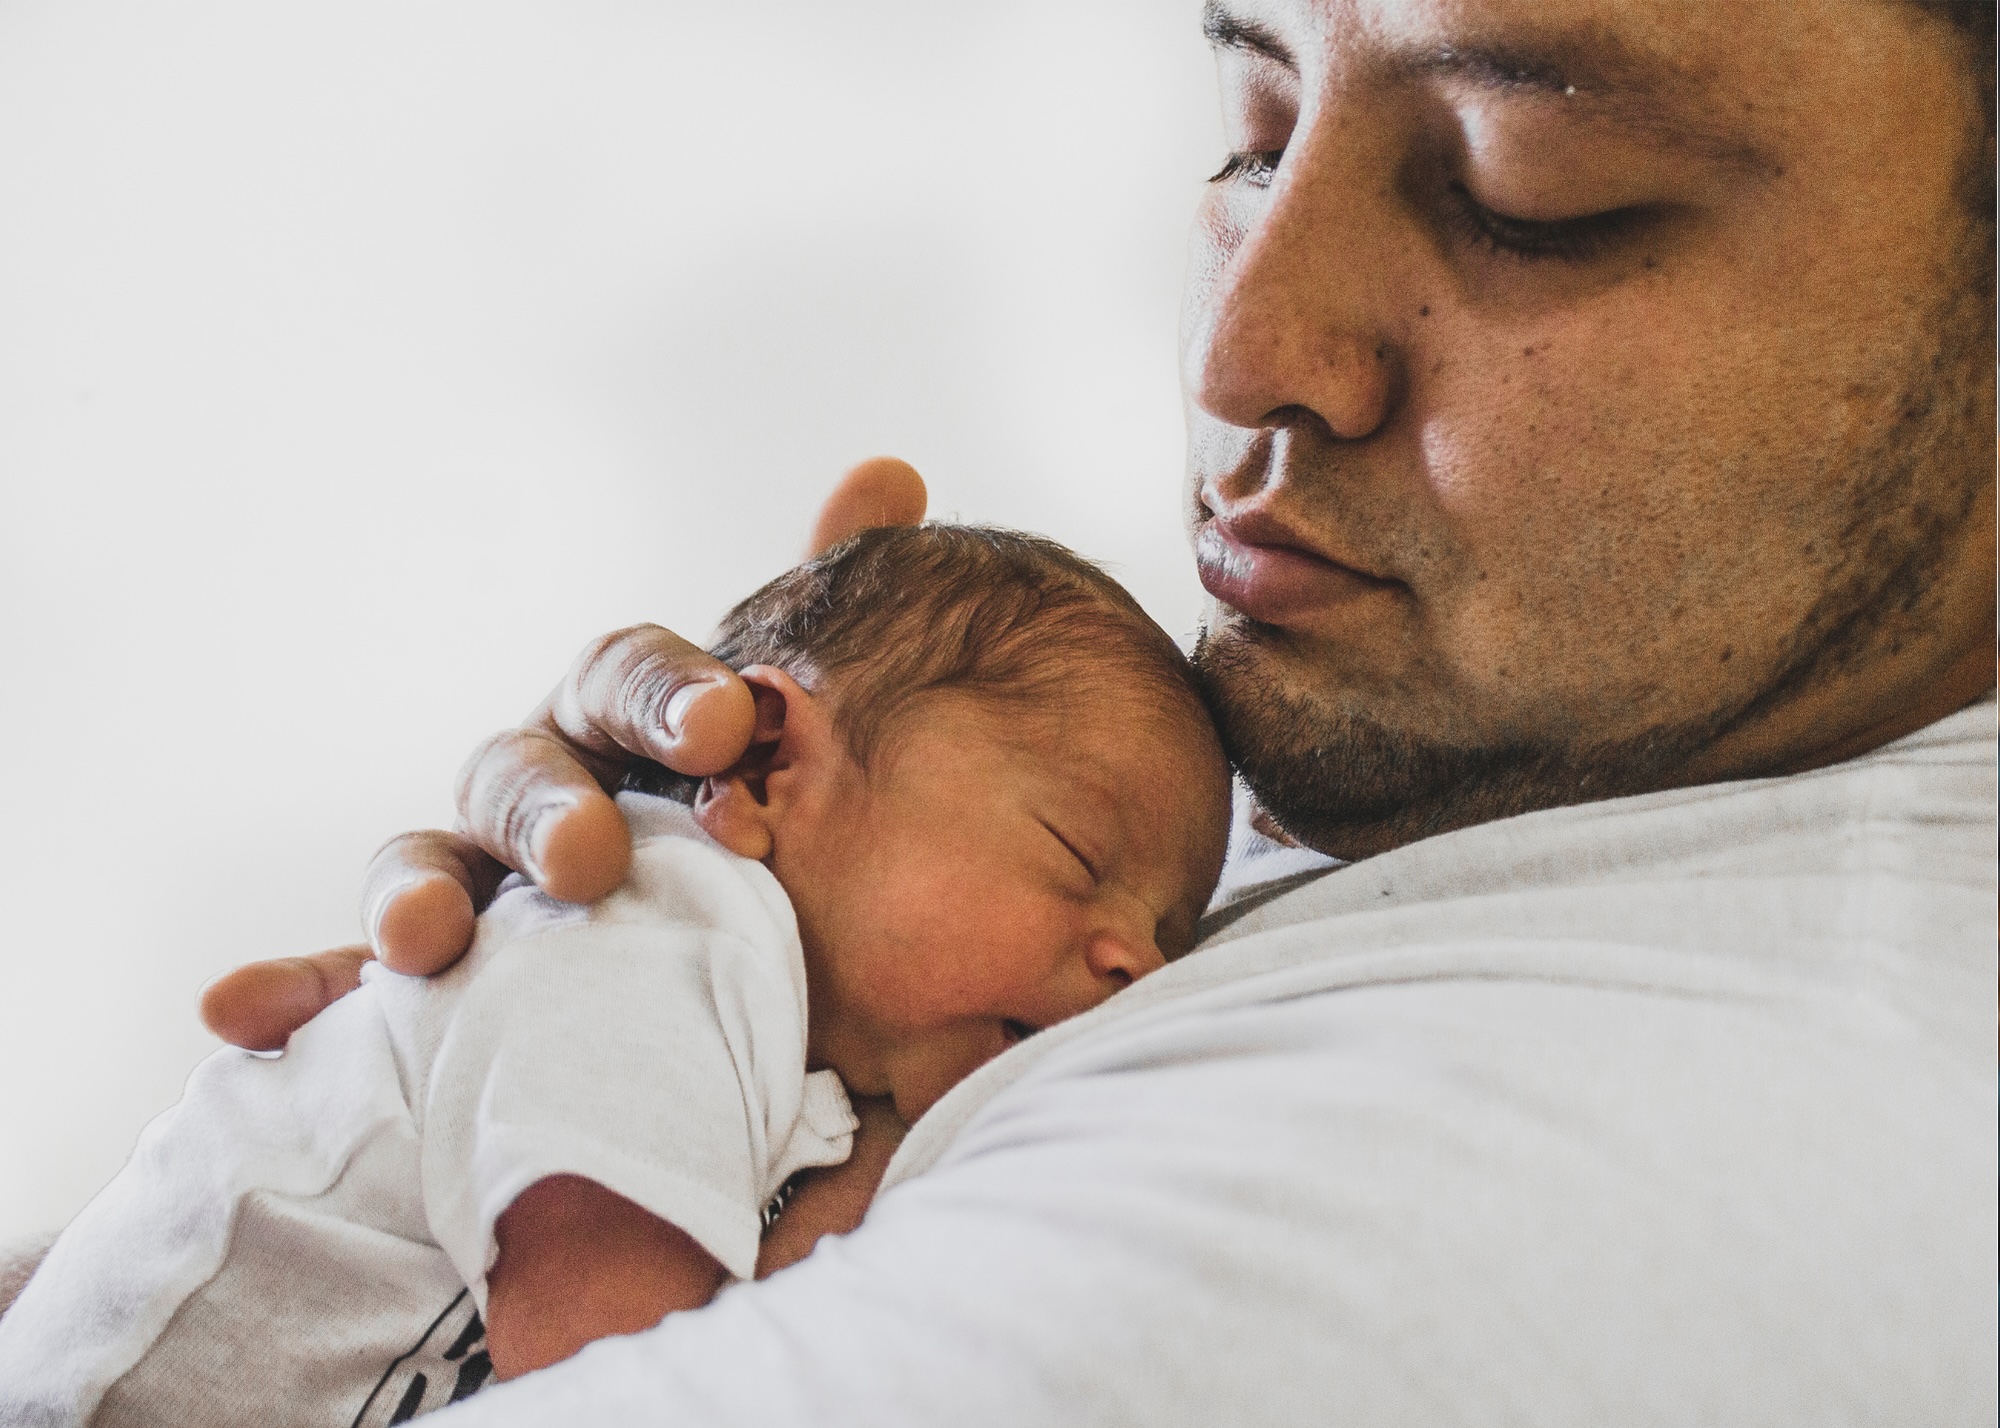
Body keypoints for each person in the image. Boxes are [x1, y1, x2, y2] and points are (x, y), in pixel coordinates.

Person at [8, 0, 1995, 1422]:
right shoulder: (1571, 794)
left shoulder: (1563, 1175)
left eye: (1520, 191)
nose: (1239, 349)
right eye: (1252, 128)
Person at [0, 527, 1229, 1425]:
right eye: (1077, 857)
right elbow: (608, 1381)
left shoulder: (782, 1016)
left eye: (1167, 935)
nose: (1130, 958)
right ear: (762, 770)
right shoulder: (659, 946)